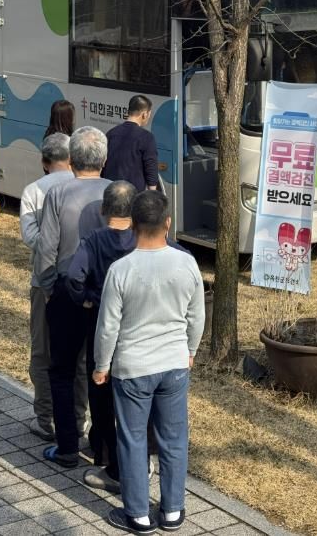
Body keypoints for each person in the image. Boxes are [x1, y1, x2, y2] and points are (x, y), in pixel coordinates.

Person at [93, 191, 205, 534]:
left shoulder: (120, 270)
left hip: (133, 367)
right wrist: (190, 350)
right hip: (174, 363)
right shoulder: (187, 263)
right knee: (173, 438)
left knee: (132, 438)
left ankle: (138, 515)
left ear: (133, 226)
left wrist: (101, 365)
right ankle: (172, 510)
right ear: (167, 224)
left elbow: (108, 326)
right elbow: (197, 315)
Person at [66, 183, 190, 491]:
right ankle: (147, 466)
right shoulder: (166, 247)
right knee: (149, 411)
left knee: (104, 401)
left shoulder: (95, 242)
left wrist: (86, 299)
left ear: (103, 209)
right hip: (156, 337)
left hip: (106, 329)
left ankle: (112, 462)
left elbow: (74, 277)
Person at [35, 126, 111, 468]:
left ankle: (67, 446)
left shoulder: (58, 193)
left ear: (72, 159)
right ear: (104, 159)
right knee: (102, 370)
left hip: (66, 290)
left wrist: (48, 288)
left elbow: (46, 249)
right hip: (107, 293)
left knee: (63, 369)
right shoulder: (117, 191)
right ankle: (102, 447)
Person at [20, 133, 80, 441]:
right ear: (71, 159)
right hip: (79, 280)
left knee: (42, 350)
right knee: (79, 354)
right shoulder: (83, 186)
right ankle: (79, 418)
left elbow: (30, 236)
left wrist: (49, 245)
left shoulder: (33, 190)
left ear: (44, 162)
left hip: (44, 280)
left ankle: (45, 418)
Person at [102, 95, 158, 192]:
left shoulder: (111, 133)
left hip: (111, 192)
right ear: (144, 114)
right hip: (133, 195)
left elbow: (103, 164)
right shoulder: (146, 137)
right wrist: (152, 194)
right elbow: (151, 170)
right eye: (149, 114)